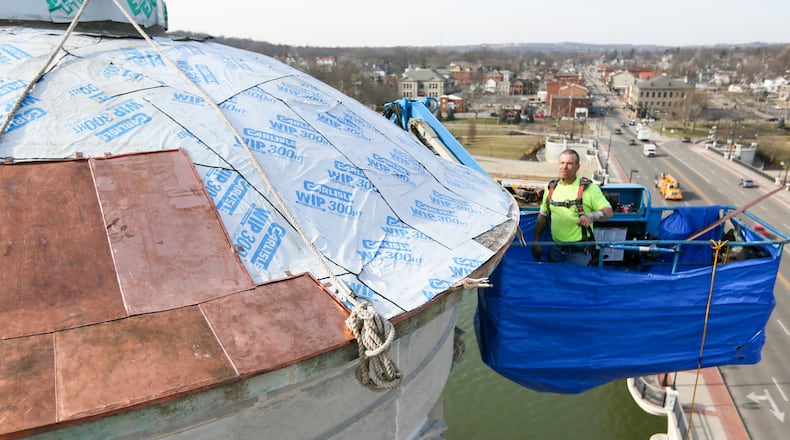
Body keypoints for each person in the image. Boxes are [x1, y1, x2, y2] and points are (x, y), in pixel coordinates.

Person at [532, 149, 613, 265]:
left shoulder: (589, 189)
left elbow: (608, 211)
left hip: (578, 253)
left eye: (569, 164)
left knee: (574, 282)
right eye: (562, 163)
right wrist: (536, 242)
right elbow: (542, 217)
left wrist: (591, 216)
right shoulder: (551, 189)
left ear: (577, 167)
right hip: (555, 250)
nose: (564, 167)